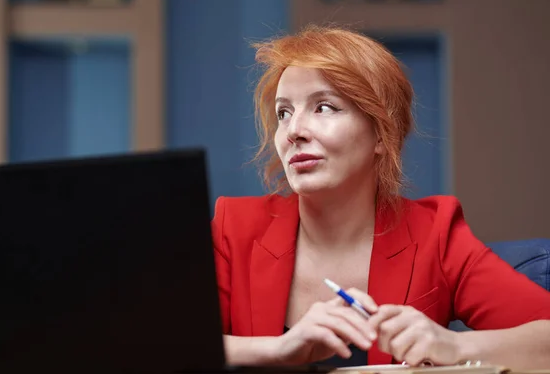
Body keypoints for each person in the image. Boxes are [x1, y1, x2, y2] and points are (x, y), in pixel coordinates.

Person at [210, 24, 550, 369]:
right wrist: (280, 348)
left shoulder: (435, 233)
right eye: (284, 113)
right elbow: (161, 347)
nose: (294, 131)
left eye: (324, 107)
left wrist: (454, 345)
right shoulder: (233, 228)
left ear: (381, 135)